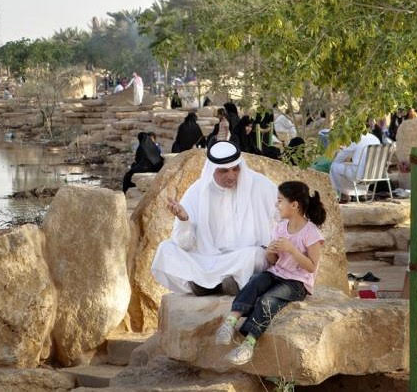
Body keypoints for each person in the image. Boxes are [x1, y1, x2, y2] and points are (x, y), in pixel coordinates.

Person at [215, 180, 326, 365]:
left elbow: (312, 267)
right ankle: (230, 322)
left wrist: (292, 250)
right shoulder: (281, 227)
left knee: (268, 300)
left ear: (295, 205)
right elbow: (274, 261)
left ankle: (249, 344)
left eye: (280, 200)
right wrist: (269, 253)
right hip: (277, 273)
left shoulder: (311, 232)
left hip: (297, 283)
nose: (277, 204)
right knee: (256, 280)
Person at [151, 141, 278, 296]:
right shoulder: (197, 192)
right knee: (166, 251)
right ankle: (221, 285)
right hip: (207, 258)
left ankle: (208, 285)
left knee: (257, 255)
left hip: (242, 256)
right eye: (224, 171)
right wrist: (184, 220)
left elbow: (282, 218)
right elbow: (184, 244)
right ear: (212, 170)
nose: (231, 176)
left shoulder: (261, 185)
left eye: (235, 169)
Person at [329, 125, 380, 201]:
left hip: (359, 175)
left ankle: (343, 194)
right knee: (357, 167)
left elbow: (338, 159)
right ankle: (362, 194)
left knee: (334, 166)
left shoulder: (356, 139)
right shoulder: (375, 138)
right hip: (375, 174)